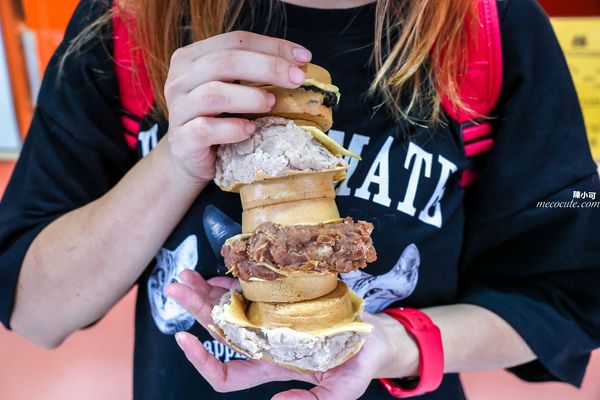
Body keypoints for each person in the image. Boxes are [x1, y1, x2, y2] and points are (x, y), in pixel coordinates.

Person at [1, 0, 599, 399]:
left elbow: (565, 299)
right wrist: (176, 162)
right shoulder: (129, 20)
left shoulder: (491, 27)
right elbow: (34, 312)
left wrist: (389, 344)